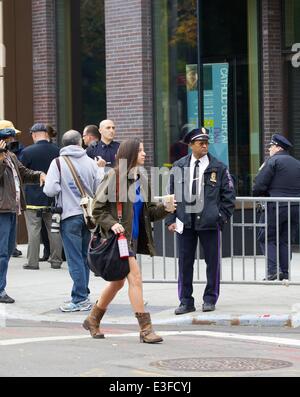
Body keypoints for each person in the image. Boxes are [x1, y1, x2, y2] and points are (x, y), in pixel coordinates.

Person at [82, 138, 176, 343]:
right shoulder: (114, 176)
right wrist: (111, 224)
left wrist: (166, 209)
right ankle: (145, 329)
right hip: (117, 238)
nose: (144, 154)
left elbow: (149, 212)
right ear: (131, 154)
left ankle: (93, 319)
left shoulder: (142, 179)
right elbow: (97, 208)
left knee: (117, 283)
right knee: (135, 278)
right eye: (141, 150)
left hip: (130, 240)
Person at [166, 127, 235, 314]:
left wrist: (221, 217)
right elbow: (171, 195)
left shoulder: (219, 167)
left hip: (209, 223)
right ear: (191, 145)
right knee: (185, 263)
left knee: (212, 263)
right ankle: (185, 301)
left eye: (206, 142)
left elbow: (229, 196)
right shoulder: (179, 166)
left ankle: (210, 298)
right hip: (185, 221)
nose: (204, 145)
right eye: (200, 142)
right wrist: (171, 219)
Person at [43, 130, 103, 312]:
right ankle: (84, 294)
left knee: (74, 258)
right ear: (80, 143)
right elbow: (98, 187)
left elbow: (50, 190)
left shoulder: (58, 163)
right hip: (88, 216)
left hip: (69, 215)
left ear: (63, 143)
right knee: (84, 257)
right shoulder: (90, 162)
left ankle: (79, 298)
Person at [0, 120, 46, 304]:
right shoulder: (3, 157)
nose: (12, 140)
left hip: (11, 209)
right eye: (8, 137)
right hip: (1, 210)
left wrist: (38, 175)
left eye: (12, 137)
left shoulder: (10, 155)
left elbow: (24, 173)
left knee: (7, 251)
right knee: (2, 252)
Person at [252, 134, 300, 281]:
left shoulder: (273, 161)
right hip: (295, 207)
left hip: (276, 206)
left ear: (278, 147)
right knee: (285, 240)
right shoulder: (297, 163)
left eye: (271, 146)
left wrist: (259, 194)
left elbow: (259, 185)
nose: (269, 149)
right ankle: (285, 273)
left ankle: (273, 271)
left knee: (267, 237)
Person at [19, 123, 62, 270]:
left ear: (34, 135)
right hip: (52, 197)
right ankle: (56, 260)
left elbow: (21, 174)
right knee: (54, 229)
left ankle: (32, 262)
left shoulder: (27, 152)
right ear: (47, 134)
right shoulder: (58, 151)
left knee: (33, 229)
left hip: (32, 198)